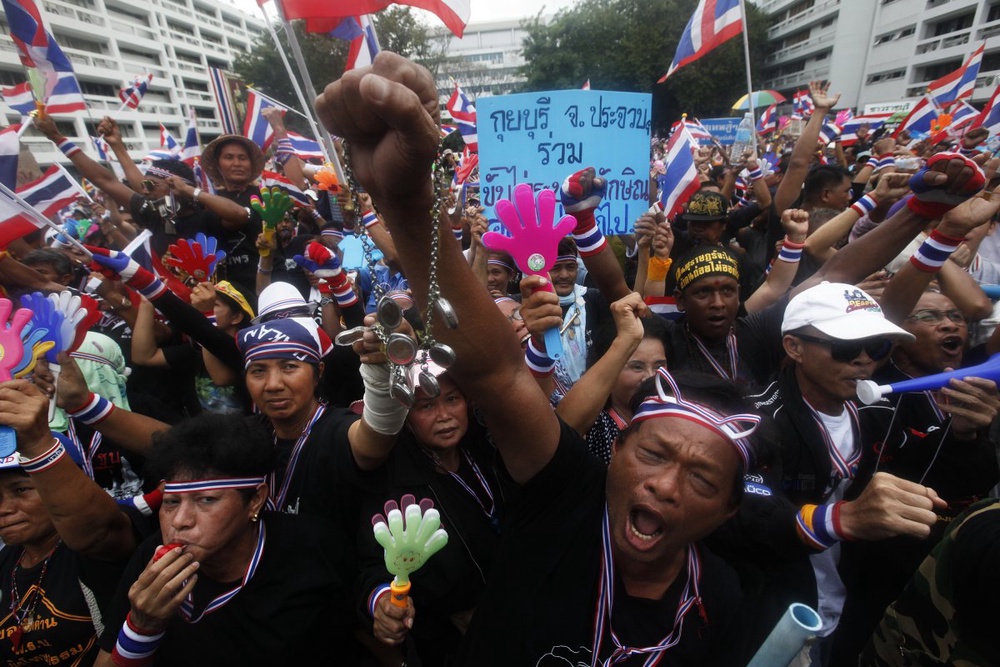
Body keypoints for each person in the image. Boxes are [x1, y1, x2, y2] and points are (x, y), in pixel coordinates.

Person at [316, 50, 761, 667]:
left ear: (729, 508)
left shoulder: (723, 597)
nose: (663, 484)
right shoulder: (563, 506)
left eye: (702, 479)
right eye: (653, 454)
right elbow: (494, 372)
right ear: (614, 448)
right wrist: (408, 201)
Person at [92, 412, 359, 665]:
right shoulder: (152, 559)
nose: (180, 520)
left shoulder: (313, 550)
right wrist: (140, 629)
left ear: (255, 500)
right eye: (171, 502)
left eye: (206, 500)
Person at [0, 379, 146, 666]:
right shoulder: (7, 562)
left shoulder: (97, 553)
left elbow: (97, 529)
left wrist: (39, 442)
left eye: (21, 490)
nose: (4, 509)